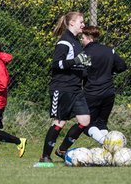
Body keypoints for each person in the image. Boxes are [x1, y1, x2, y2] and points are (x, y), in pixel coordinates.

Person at [39, 12, 92, 163]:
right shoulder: (64, 42)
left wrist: (85, 66)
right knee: (60, 122)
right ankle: (45, 156)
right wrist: (76, 61)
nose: (83, 24)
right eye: (81, 22)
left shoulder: (76, 42)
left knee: (85, 120)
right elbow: (57, 64)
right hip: (62, 88)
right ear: (71, 23)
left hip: (76, 89)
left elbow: (76, 64)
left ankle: (62, 150)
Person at [81, 26, 127, 145]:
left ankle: (106, 143)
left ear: (90, 38)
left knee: (87, 125)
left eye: (83, 38)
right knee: (101, 123)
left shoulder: (85, 53)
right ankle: (111, 149)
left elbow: (84, 72)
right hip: (108, 93)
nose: (82, 41)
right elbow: (122, 66)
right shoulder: (109, 50)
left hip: (92, 93)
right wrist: (110, 72)